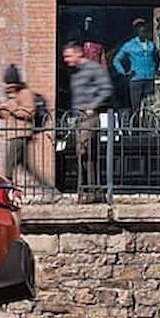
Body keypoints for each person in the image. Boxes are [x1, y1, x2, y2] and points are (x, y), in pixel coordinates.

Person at [0, 65, 51, 192]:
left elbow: (29, 112)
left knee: (8, 166)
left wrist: (12, 108)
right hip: (13, 134)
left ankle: (6, 192)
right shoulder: (10, 95)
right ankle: (50, 190)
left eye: (11, 85)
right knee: (28, 168)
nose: (9, 88)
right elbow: (5, 116)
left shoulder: (25, 93)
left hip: (21, 134)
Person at [64, 42, 113, 204]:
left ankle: (93, 191)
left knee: (87, 154)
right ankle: (86, 191)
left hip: (89, 119)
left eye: (68, 56)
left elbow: (106, 89)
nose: (66, 60)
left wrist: (93, 107)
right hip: (77, 119)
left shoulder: (93, 69)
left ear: (79, 54)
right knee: (82, 156)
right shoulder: (75, 73)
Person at [113, 18, 160, 120]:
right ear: (136, 31)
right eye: (139, 28)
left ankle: (148, 125)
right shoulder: (129, 45)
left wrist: (157, 70)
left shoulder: (151, 45)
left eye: (143, 28)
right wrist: (124, 72)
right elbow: (116, 60)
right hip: (136, 79)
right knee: (136, 106)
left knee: (150, 104)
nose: (142, 30)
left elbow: (158, 59)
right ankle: (136, 128)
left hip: (150, 78)